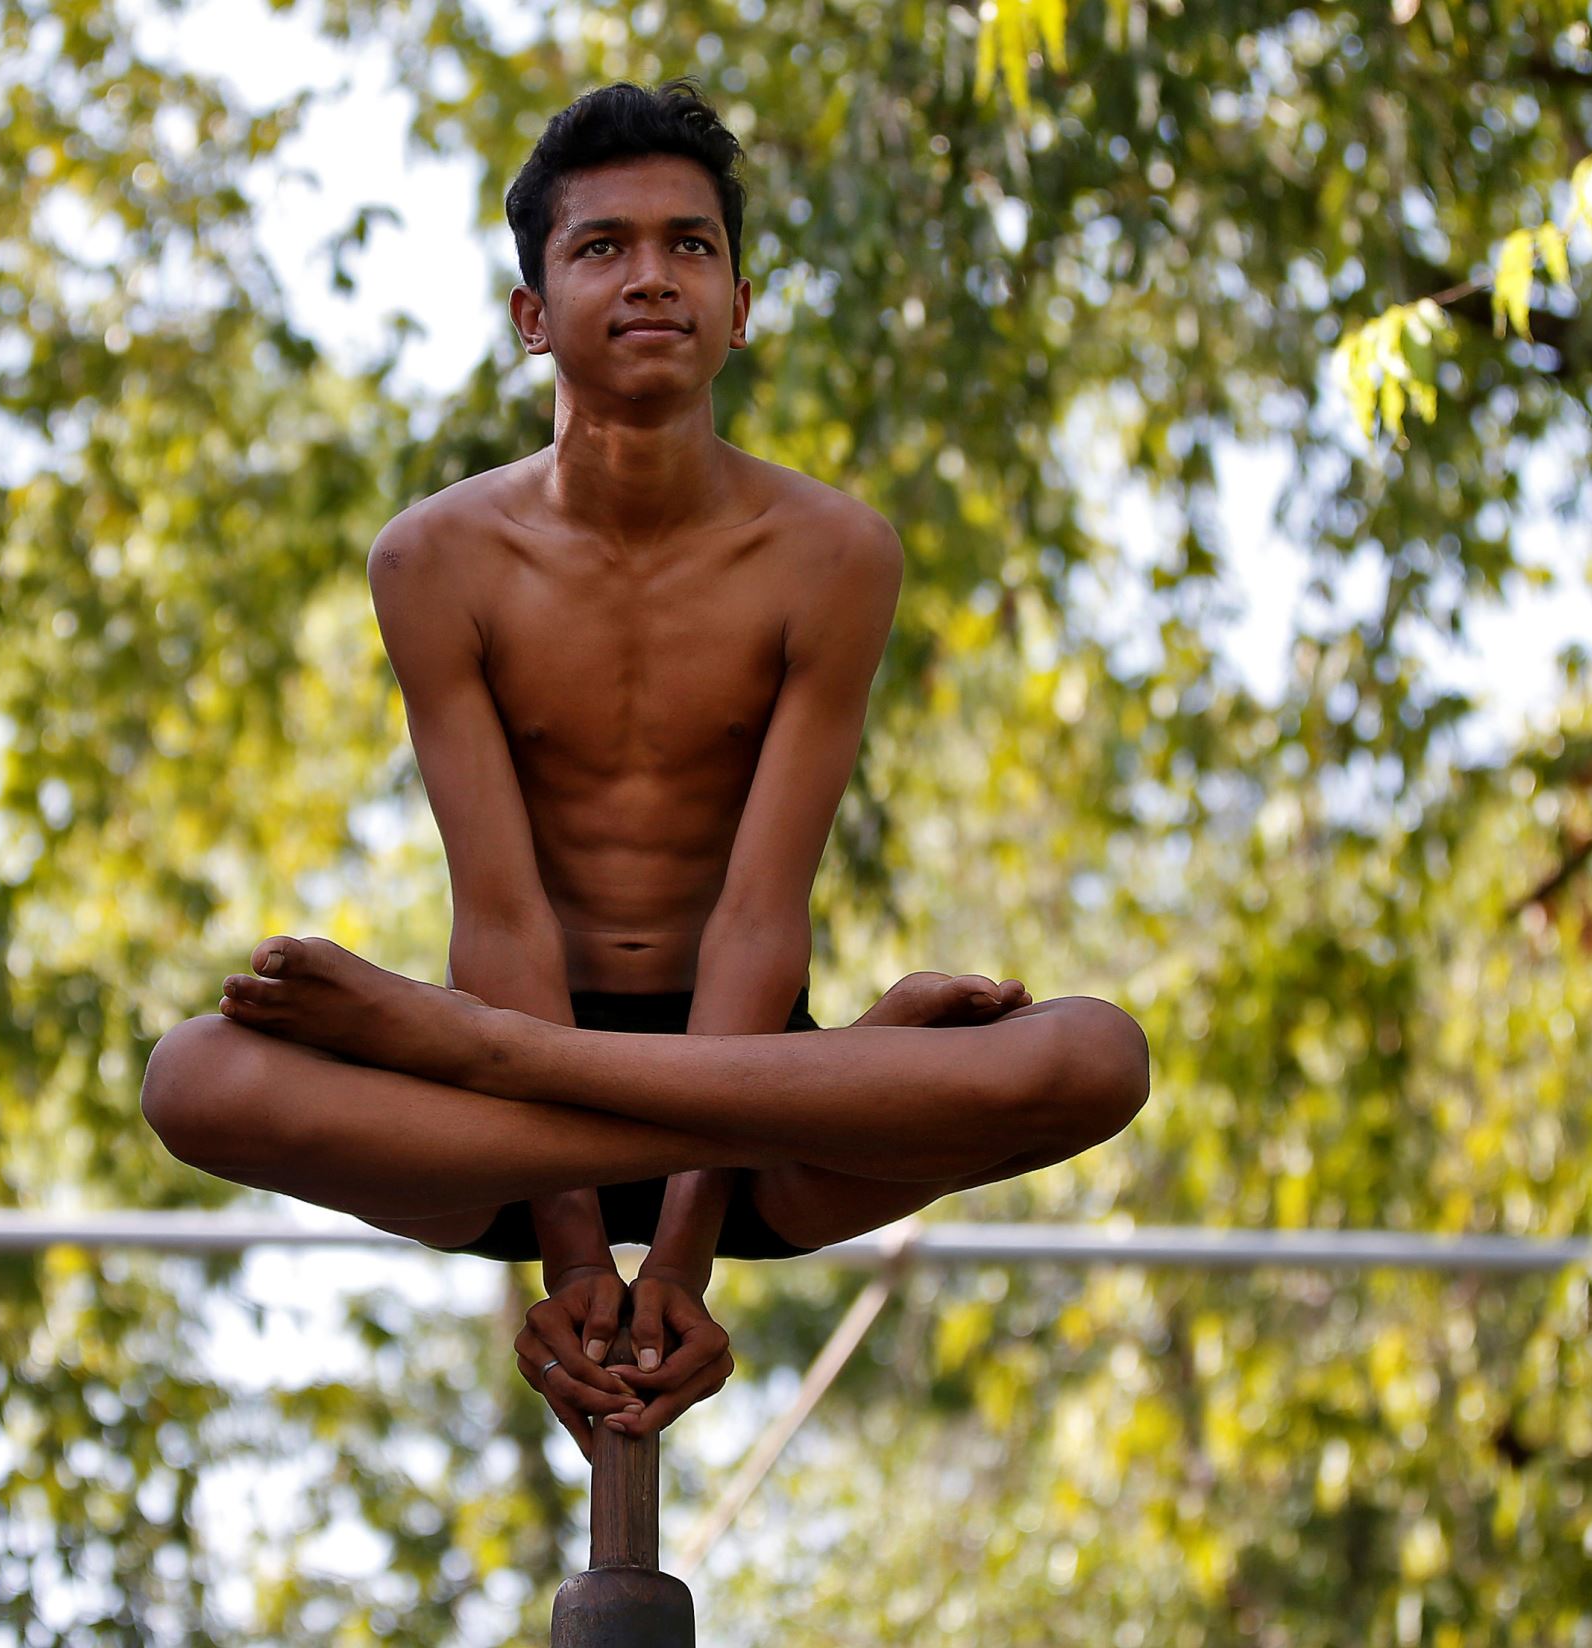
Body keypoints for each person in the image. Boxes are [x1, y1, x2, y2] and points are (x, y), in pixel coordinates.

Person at [140, 78, 1150, 1460]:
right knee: (190, 1080)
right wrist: (572, 1263)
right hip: (502, 1135)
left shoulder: (832, 555)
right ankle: (570, 1086)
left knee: (1093, 1057)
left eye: (691, 245)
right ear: (532, 315)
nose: (652, 277)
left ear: (739, 304)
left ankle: (533, 1070)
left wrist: (676, 1258)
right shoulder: (432, 560)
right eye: (600, 247)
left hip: (738, 1111)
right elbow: (498, 913)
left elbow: (757, 913)